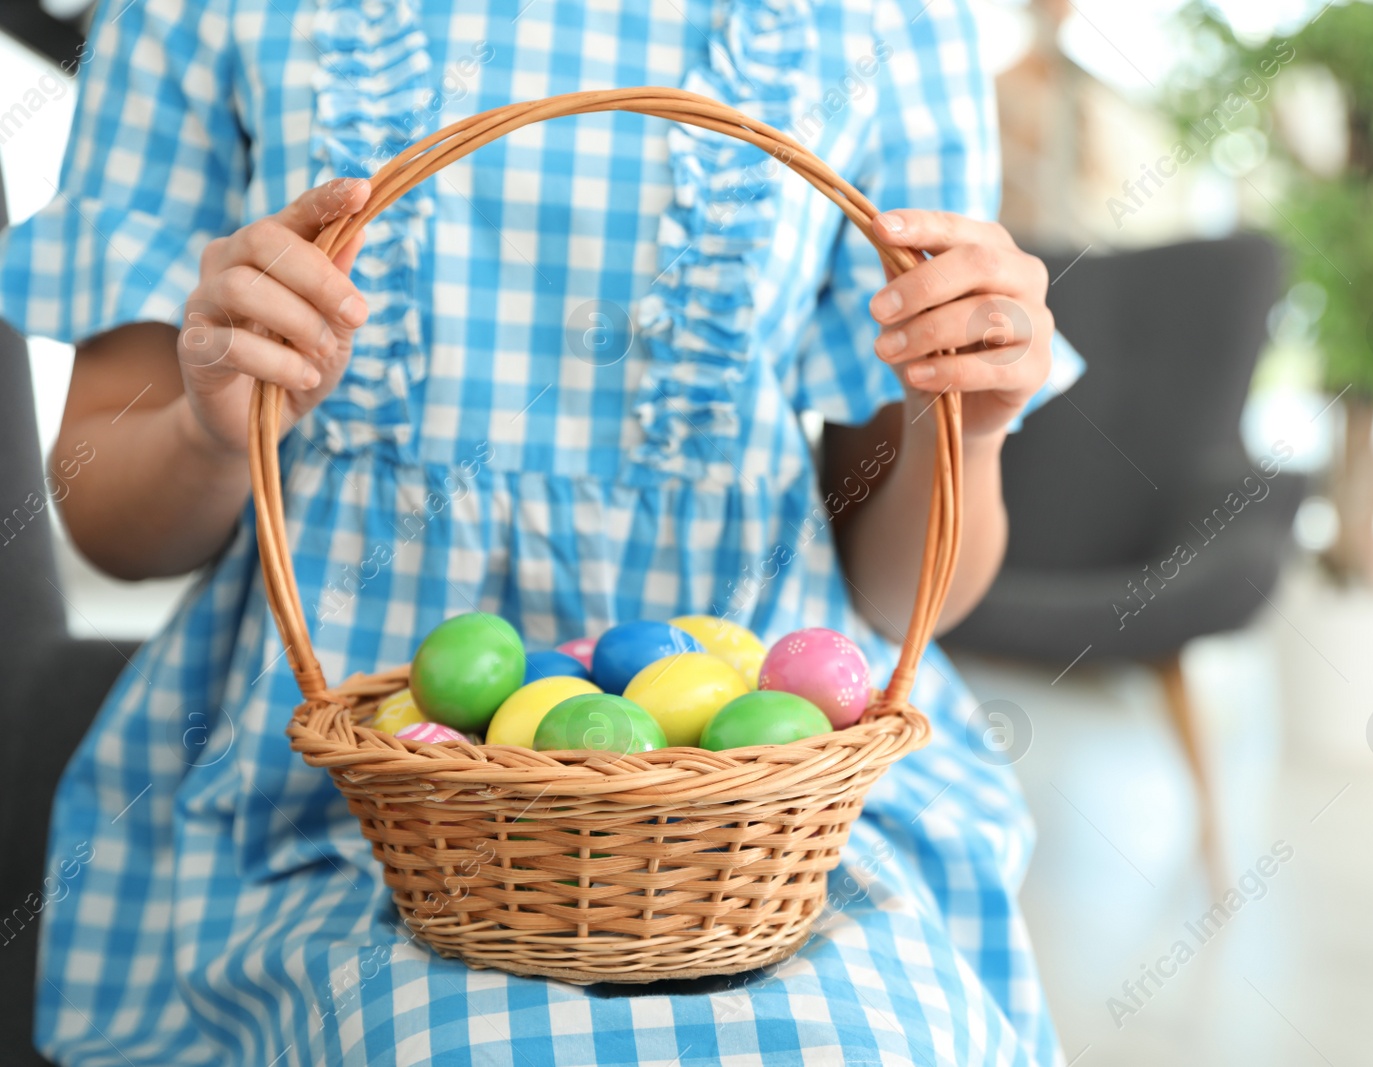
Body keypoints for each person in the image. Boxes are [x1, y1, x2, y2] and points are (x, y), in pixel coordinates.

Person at [3, 0, 1082, 1063]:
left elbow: (901, 596)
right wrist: (209, 427)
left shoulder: (894, 19)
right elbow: (113, 527)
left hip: (775, 810)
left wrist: (970, 432)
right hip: (348, 795)